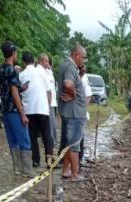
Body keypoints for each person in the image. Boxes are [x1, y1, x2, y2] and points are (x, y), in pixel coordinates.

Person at [0, 41, 31, 176]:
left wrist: (21, 88)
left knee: (13, 140)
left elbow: (2, 88)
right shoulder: (12, 71)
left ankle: (17, 168)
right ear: (13, 53)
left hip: (5, 109)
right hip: (14, 110)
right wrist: (22, 113)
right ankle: (27, 169)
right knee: (24, 139)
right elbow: (15, 93)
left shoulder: (1, 69)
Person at [58, 44, 88, 182]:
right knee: (74, 144)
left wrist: (79, 75)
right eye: (83, 57)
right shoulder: (70, 67)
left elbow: (71, 82)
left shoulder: (67, 66)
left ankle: (66, 170)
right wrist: (74, 95)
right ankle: (75, 175)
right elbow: (68, 84)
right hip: (75, 112)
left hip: (70, 111)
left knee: (69, 143)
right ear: (75, 55)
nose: (84, 61)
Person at [20, 51, 52, 171]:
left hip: (29, 110)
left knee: (32, 136)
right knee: (46, 136)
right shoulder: (41, 72)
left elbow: (20, 92)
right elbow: (49, 91)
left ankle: (36, 160)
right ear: (34, 61)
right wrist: (48, 106)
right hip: (43, 109)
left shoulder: (21, 75)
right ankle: (49, 161)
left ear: (23, 62)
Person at [38, 53, 58, 147]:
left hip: (53, 102)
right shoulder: (41, 72)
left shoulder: (50, 73)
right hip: (47, 103)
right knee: (50, 124)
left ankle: (53, 140)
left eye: (48, 62)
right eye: (46, 61)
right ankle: (50, 141)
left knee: (53, 124)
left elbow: (53, 89)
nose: (48, 63)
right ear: (41, 61)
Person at [78, 64, 93, 168]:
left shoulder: (84, 79)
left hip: (80, 112)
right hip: (76, 112)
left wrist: (82, 108)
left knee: (80, 137)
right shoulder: (76, 77)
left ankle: (79, 158)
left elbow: (89, 95)